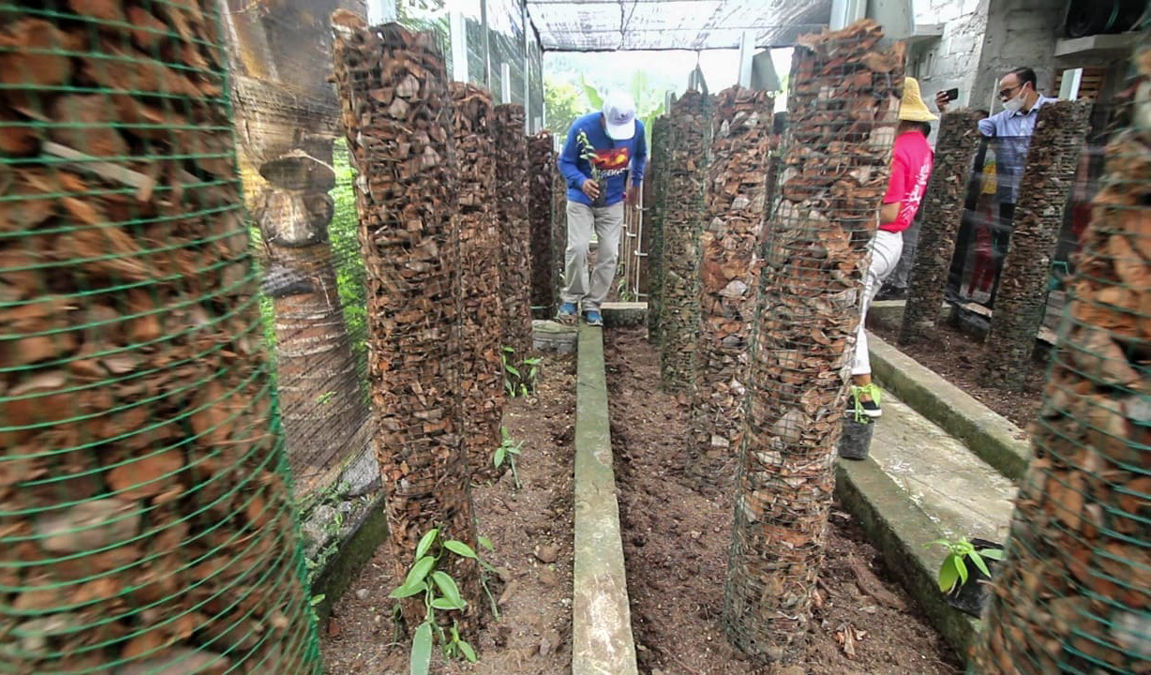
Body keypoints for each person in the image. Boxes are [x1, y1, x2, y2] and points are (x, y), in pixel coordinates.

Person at [850, 77, 936, 418]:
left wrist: (848, 209)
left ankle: (864, 396)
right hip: (894, 243)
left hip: (879, 238)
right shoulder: (922, 147)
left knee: (848, 319)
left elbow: (889, 211)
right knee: (854, 316)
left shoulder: (897, 151)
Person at [936, 67, 1057, 305]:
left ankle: (1026, 303)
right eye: (1001, 94)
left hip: (1045, 198)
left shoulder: (1053, 110)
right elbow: (968, 130)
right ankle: (997, 301)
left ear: (1027, 87)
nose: (1004, 98)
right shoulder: (1001, 120)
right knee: (1005, 247)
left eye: (1007, 92)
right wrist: (946, 111)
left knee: (1034, 252)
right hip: (1010, 196)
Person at [556, 92, 647, 327]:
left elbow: (640, 155)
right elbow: (565, 161)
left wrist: (635, 182)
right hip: (581, 199)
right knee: (578, 248)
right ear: (603, 116)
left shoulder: (637, 129)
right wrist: (581, 181)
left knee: (609, 253)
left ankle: (592, 304)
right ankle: (571, 298)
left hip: (613, 200)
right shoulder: (582, 128)